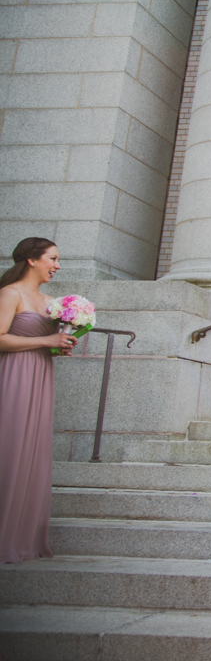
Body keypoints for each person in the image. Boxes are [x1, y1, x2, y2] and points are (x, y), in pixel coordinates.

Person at [1, 238, 76, 564]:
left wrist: (59, 344)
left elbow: (46, 343)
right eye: (53, 258)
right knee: (9, 444)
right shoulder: (10, 294)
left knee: (31, 450)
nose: (57, 265)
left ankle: (22, 536)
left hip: (40, 375)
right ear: (32, 260)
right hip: (14, 375)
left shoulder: (49, 302)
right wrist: (46, 339)